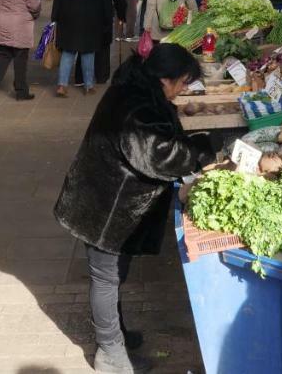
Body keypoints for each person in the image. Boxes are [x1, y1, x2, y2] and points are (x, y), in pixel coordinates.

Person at [54, 44, 213, 374]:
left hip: (111, 200)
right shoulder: (137, 106)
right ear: (165, 79)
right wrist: (201, 149)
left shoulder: (138, 89)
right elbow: (158, 154)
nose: (183, 90)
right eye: (183, 82)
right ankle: (109, 353)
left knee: (114, 275)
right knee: (105, 277)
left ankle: (116, 334)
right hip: (102, 204)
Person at [53, 0, 119, 98]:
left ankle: (62, 85)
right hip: (91, 21)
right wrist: (107, 19)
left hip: (68, 20)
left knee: (68, 52)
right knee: (88, 53)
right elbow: (105, 0)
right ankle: (88, 85)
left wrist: (55, 16)